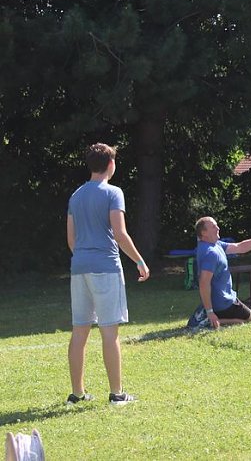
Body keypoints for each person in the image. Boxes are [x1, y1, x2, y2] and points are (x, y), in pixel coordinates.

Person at [66, 143, 150, 406]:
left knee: (79, 332)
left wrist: (83, 255)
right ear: (110, 164)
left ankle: (77, 394)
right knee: (109, 332)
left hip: (79, 268)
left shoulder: (76, 195)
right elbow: (120, 233)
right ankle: (117, 394)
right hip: (105, 267)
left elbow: (71, 239)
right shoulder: (114, 192)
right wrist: (139, 261)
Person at [194, 217, 251, 329]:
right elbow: (204, 283)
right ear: (203, 232)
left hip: (225, 299)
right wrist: (210, 311)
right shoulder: (210, 253)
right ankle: (211, 319)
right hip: (223, 303)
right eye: (213, 226)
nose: (218, 228)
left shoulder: (215, 245)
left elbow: (240, 247)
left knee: (249, 316)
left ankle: (208, 316)